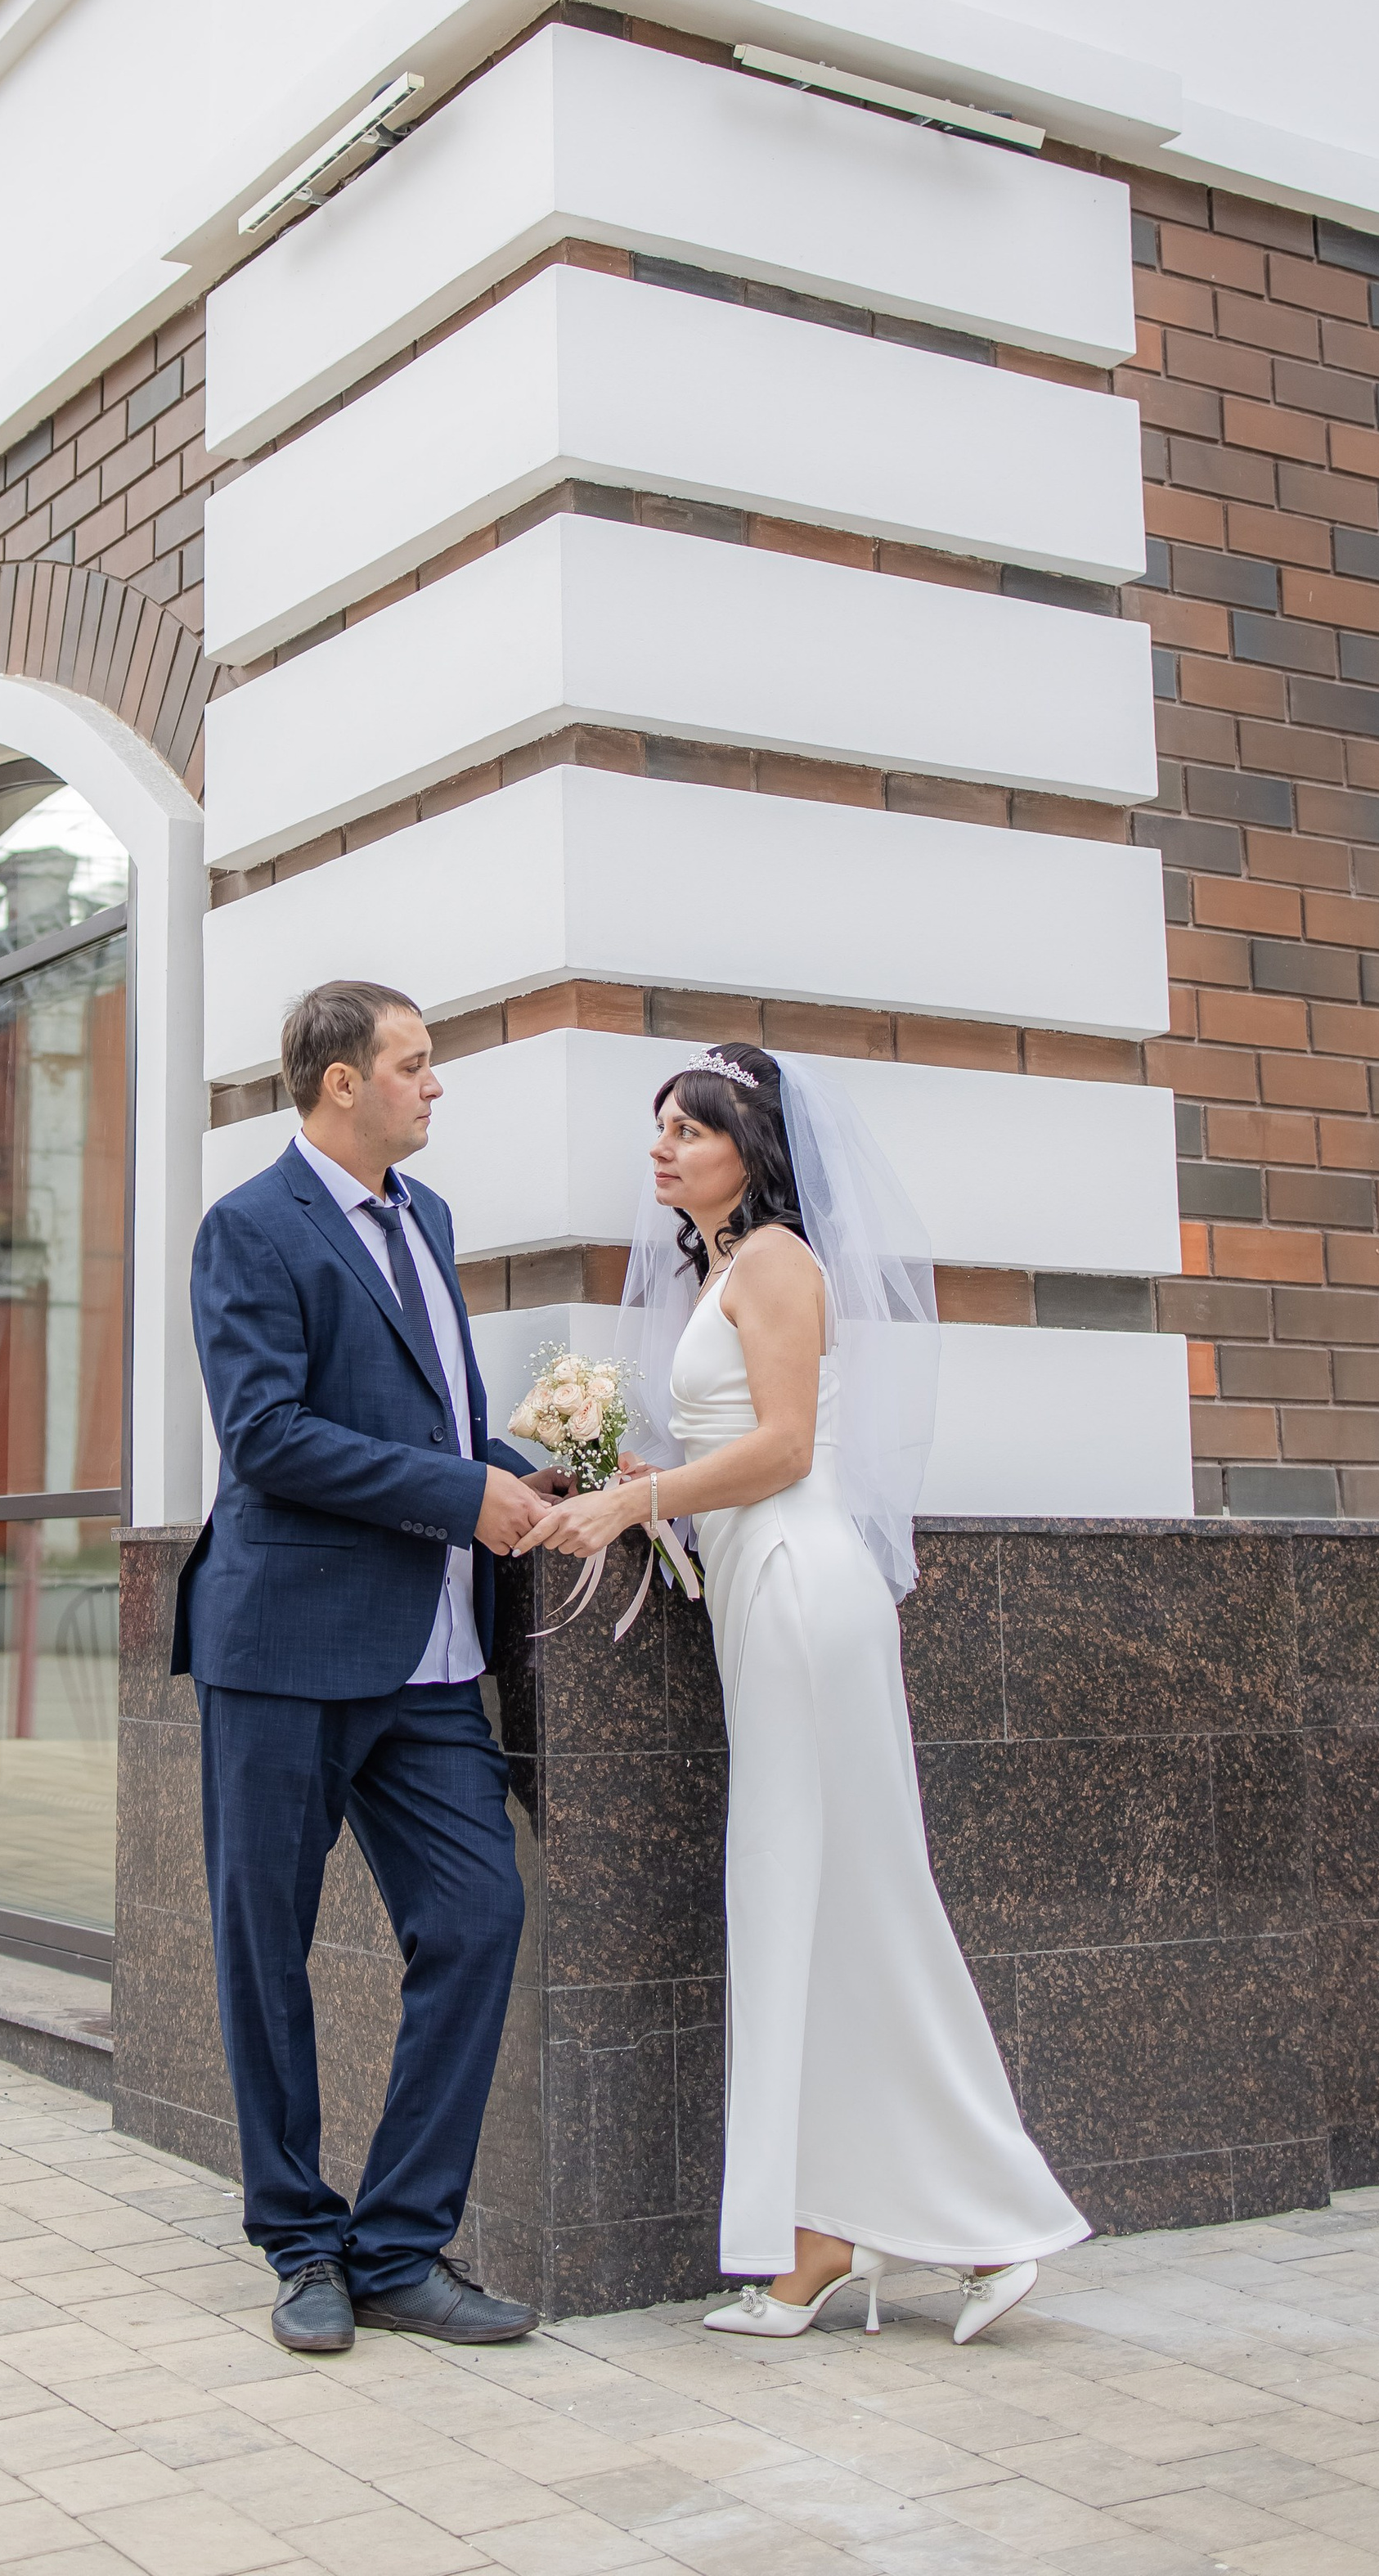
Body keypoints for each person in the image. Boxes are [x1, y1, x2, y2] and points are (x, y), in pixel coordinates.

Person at [519, 1044, 1087, 2344]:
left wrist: (632, 1497)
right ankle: (824, 2232)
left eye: (688, 1130)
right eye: (656, 1129)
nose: (661, 1150)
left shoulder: (776, 1259)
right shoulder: (718, 1267)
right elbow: (732, 1443)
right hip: (758, 1588)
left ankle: (976, 2222)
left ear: (749, 1149)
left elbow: (779, 1449)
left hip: (801, 1583)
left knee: (848, 1892)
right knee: (806, 1898)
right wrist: (613, 1473)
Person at [177, 978, 561, 2356]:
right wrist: (461, 1495)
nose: (433, 1083)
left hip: (432, 1665)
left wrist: (548, 1473)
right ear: (341, 1082)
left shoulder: (428, 1220)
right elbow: (267, 1436)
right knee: (263, 1953)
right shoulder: (248, 1229)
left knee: (477, 1919)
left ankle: (400, 2245)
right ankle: (300, 2242)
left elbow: (441, 1417)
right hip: (282, 1649)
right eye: (413, 1062)